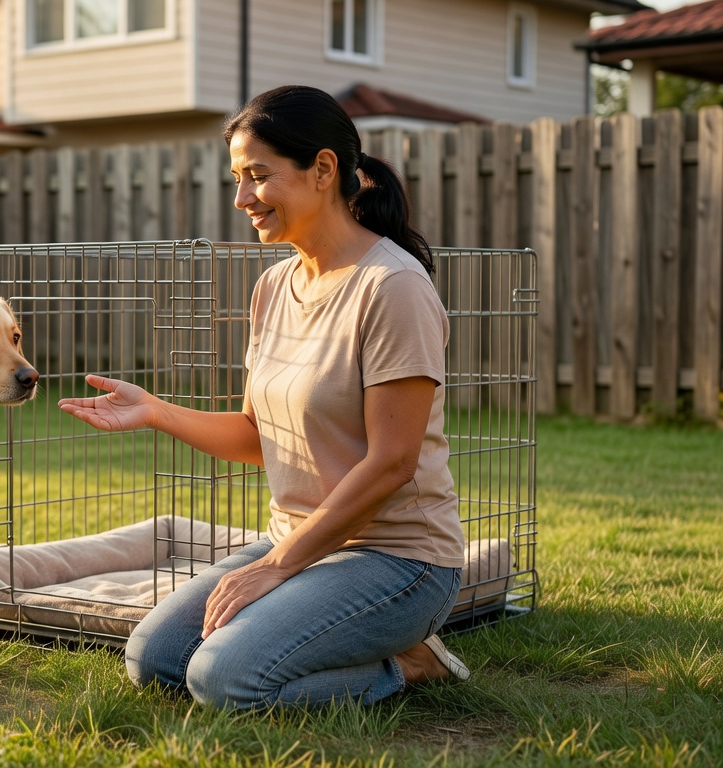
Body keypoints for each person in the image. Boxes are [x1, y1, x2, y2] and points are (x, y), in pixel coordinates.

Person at [57, 84, 469, 710]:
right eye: (237, 177)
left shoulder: (393, 289)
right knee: (157, 660)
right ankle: (351, 642)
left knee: (223, 679)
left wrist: (274, 568)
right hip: (303, 541)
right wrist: (156, 411)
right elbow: (260, 435)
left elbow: (393, 462)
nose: (241, 197)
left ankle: (406, 665)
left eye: (257, 176)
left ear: (323, 169)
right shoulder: (275, 285)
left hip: (398, 560)